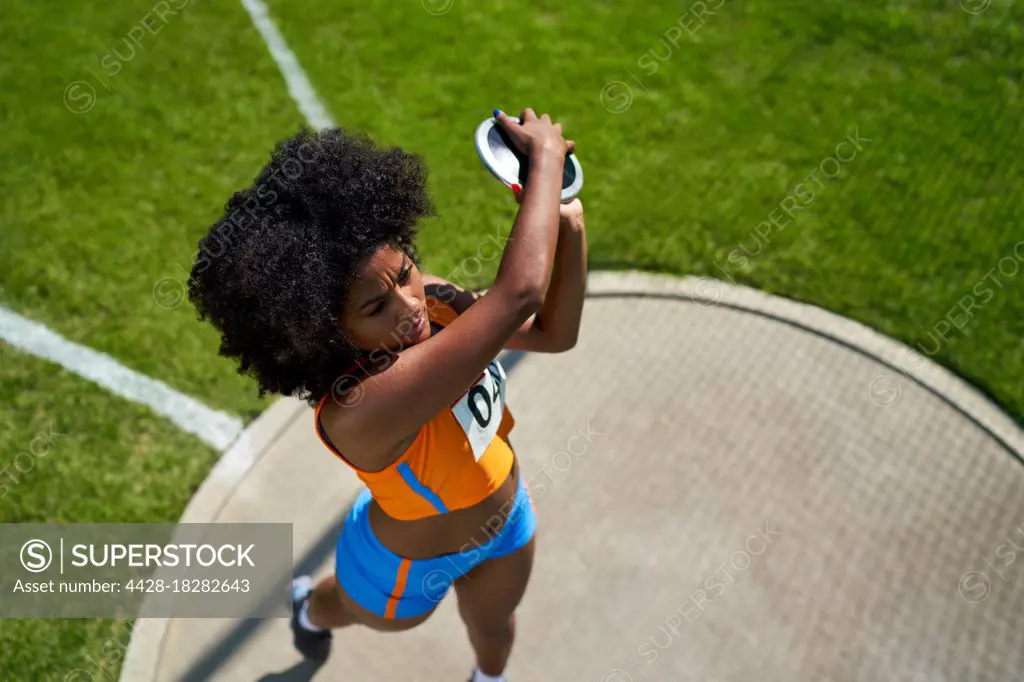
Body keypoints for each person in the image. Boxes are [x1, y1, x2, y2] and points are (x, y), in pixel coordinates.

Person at [187, 108, 587, 681]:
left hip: (507, 518)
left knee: (495, 628)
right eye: (377, 308)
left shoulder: (439, 304)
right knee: (346, 609)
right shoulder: (359, 407)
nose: (411, 308)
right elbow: (520, 293)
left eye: (405, 274)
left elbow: (553, 331)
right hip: (400, 568)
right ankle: (310, 607)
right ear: (324, 330)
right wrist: (545, 163)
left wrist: (569, 227)